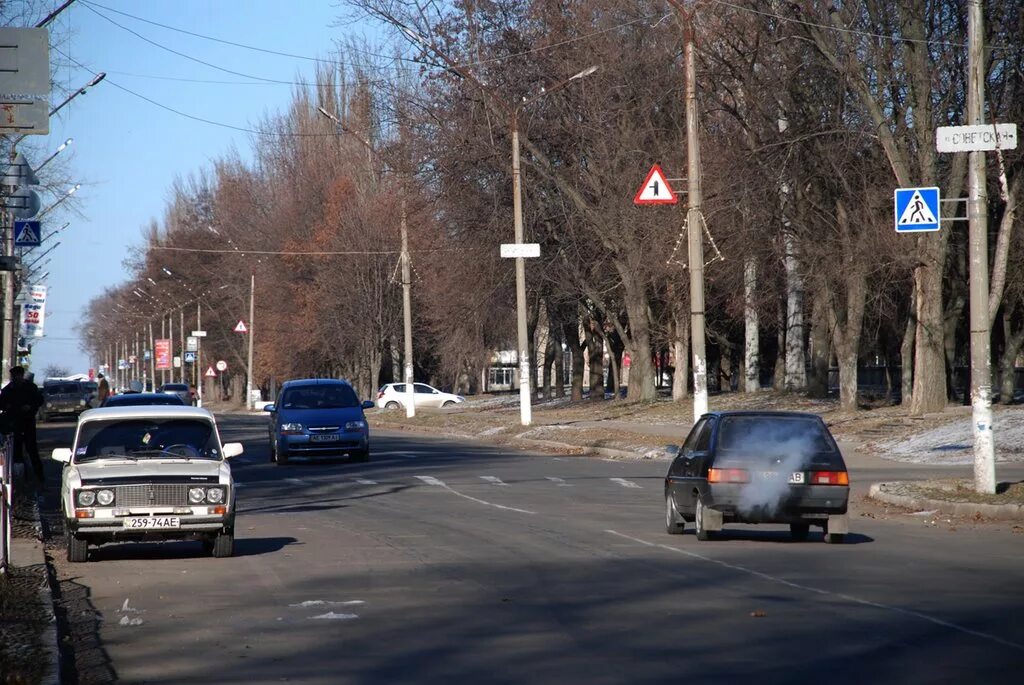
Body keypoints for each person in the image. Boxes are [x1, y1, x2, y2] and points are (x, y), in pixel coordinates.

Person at [0, 366, 45, 484]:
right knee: (15, 453)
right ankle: (20, 479)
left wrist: (30, 407)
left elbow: (39, 400)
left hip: (27, 422)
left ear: (22, 375)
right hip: (13, 424)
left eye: (18, 375)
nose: (16, 378)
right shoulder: (8, 390)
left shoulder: (30, 388)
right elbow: (2, 404)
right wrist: (8, 407)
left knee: (32, 451)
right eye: (14, 376)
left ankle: (40, 478)